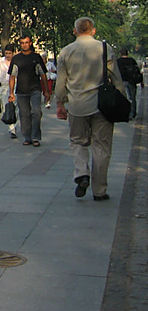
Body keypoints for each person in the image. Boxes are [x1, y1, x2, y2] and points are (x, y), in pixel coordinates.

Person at [55, 17, 125, 201]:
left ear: (75, 31)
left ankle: (81, 172)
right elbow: (116, 77)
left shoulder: (66, 52)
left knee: (77, 141)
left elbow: (61, 81)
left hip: (77, 104)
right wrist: (123, 98)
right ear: (93, 30)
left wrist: (60, 103)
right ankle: (100, 190)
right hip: (102, 105)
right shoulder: (104, 49)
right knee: (101, 146)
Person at [8, 34, 49, 147]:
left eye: (26, 42)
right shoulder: (16, 59)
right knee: (24, 114)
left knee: (36, 112)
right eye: (22, 43)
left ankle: (35, 137)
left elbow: (43, 74)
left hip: (35, 89)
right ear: (20, 44)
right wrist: (11, 92)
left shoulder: (36, 57)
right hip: (21, 91)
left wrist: (46, 91)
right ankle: (27, 137)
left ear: (30, 43)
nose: (24, 45)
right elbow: (12, 76)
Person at [0, 44, 17, 138]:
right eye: (6, 53)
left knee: (16, 107)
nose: (8, 55)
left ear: (13, 53)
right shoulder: (0, 61)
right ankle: (12, 128)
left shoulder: (16, 61)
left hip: (15, 86)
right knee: (6, 107)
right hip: (4, 87)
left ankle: (14, 125)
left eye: (10, 53)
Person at [116, 49, 141, 120]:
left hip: (121, 82)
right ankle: (132, 113)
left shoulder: (118, 61)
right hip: (132, 82)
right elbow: (137, 71)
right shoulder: (132, 60)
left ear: (120, 53)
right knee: (132, 98)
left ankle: (123, 113)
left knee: (122, 98)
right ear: (127, 53)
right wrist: (141, 82)